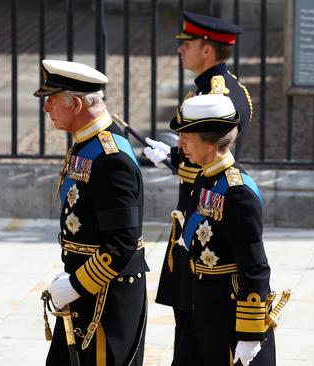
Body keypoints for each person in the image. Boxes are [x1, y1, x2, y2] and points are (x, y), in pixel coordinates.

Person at [145, 11, 254, 354]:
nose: (180, 50)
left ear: (207, 50)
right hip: (199, 207)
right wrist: (172, 156)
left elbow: (211, 157)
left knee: (199, 324)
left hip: (206, 212)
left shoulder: (215, 93)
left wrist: (175, 159)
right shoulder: (226, 87)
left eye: (186, 44)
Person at [36, 59, 148, 365]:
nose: (47, 109)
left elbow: (122, 243)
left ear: (75, 104)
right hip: (86, 286)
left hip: (105, 297)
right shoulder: (86, 142)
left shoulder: (111, 159)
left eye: (52, 101)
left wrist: (75, 284)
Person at [169, 94, 275, 366]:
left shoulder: (237, 192)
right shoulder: (205, 175)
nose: (180, 144)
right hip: (201, 310)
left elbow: (255, 267)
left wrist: (251, 333)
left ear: (210, 140)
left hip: (228, 320)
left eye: (187, 137)